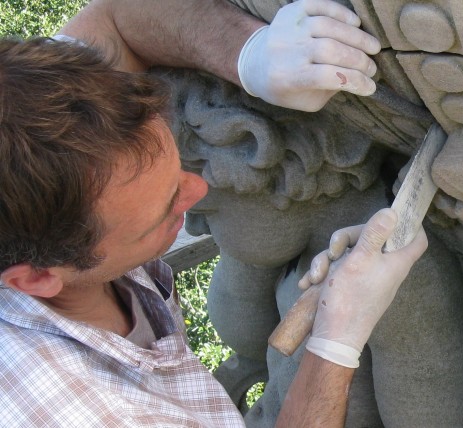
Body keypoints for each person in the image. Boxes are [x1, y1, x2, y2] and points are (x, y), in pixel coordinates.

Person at [0, 0, 427, 426]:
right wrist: (336, 342)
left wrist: (249, 54)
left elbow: (114, 18)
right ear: (36, 278)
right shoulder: (87, 413)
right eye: (167, 207)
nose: (199, 189)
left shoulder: (23, 109)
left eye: (177, 170)